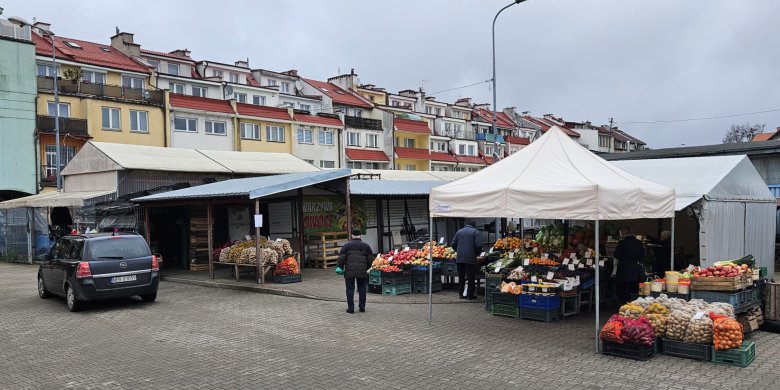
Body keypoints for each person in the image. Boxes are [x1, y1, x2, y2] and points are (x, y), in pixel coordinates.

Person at [337, 228, 374, 313]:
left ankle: (351, 308)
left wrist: (340, 267)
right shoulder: (366, 245)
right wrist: (367, 268)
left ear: (352, 235)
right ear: (360, 236)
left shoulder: (347, 245)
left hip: (349, 271)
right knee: (362, 289)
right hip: (362, 271)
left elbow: (341, 258)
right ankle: (362, 307)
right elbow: (370, 259)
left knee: (350, 289)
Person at [611, 226, 645, 304]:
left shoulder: (622, 243)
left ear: (623, 233)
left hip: (624, 269)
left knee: (624, 288)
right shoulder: (639, 242)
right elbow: (642, 256)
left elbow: (616, 255)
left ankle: (625, 304)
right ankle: (634, 303)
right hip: (635, 269)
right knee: (634, 288)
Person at [451, 222, 482, 300]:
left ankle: (461, 294)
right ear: (474, 226)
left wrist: (458, 251)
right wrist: (477, 253)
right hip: (470, 258)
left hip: (460, 257)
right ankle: (470, 295)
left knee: (461, 276)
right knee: (471, 277)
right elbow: (479, 245)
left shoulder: (459, 231)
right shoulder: (475, 232)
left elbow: (453, 244)